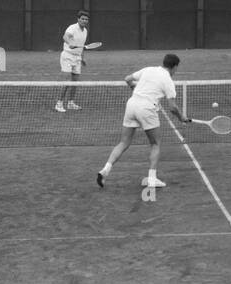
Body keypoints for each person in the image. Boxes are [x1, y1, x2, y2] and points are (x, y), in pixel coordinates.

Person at [96, 53, 188, 190]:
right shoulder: (167, 80)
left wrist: (135, 88)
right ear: (174, 67)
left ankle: (105, 169)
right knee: (155, 144)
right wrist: (181, 118)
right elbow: (172, 107)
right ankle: (151, 179)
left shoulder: (148, 69)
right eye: (177, 68)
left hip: (131, 105)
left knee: (124, 142)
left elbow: (127, 79)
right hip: (147, 109)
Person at [55, 11, 89, 113]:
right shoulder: (72, 28)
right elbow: (65, 37)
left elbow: (82, 46)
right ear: (78, 19)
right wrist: (70, 43)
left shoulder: (85, 31)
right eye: (82, 19)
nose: (84, 21)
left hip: (77, 58)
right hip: (68, 56)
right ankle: (59, 103)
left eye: (86, 19)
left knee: (75, 82)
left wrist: (82, 58)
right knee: (66, 81)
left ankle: (70, 103)